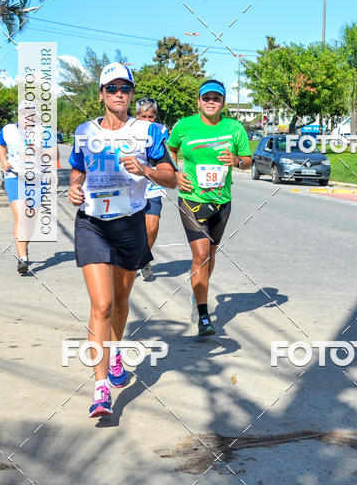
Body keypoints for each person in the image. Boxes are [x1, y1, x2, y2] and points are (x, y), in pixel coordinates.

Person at [68, 63, 177, 418]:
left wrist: (145, 170)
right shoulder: (84, 131)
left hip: (130, 225)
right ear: (100, 94)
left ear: (131, 94)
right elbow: (78, 167)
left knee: (120, 302)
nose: (118, 94)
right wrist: (73, 186)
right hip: (92, 224)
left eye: (124, 89)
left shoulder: (149, 131)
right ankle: (101, 390)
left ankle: (114, 351)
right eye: (111, 88)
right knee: (101, 304)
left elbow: (171, 178)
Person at [168, 79, 252, 338]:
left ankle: (197, 294)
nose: (211, 102)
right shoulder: (184, 126)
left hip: (221, 202)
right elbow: (169, 149)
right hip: (191, 199)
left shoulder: (234, 128)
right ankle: (204, 316)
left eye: (216, 98)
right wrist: (174, 172)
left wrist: (237, 161)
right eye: (206, 98)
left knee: (210, 255)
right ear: (199, 102)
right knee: (201, 254)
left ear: (223, 102)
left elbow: (248, 162)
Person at [0, 102, 56, 275]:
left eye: (31, 112)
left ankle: (24, 248)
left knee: (30, 219)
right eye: (24, 112)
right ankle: (23, 258)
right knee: (21, 215)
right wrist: (3, 160)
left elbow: (54, 154)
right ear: (18, 114)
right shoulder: (8, 130)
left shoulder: (44, 131)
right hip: (14, 176)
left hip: (36, 179)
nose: (27, 116)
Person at [135, 97, 169, 282]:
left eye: (151, 116)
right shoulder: (128, 130)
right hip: (133, 187)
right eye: (143, 116)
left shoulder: (162, 131)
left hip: (154, 187)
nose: (147, 120)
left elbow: (170, 155)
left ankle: (144, 258)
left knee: (152, 228)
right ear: (137, 116)